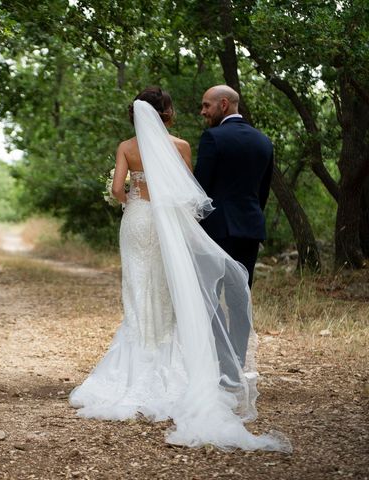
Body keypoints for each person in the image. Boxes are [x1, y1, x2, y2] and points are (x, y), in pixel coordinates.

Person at [69, 87, 290, 452]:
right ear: (167, 114)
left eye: (206, 105)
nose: (199, 110)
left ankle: (141, 356)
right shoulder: (187, 145)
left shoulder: (127, 147)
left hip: (138, 222)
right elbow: (193, 193)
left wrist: (134, 200)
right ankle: (210, 371)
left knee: (139, 290)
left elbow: (117, 189)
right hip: (180, 226)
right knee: (182, 290)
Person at [195, 85, 273, 381]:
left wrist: (193, 229)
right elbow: (261, 193)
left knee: (208, 297)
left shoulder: (213, 138)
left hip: (216, 230)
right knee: (240, 299)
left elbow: (200, 190)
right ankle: (236, 365)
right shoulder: (263, 141)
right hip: (250, 229)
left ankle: (225, 364)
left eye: (206, 106)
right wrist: (249, 219)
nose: (203, 112)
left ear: (223, 104)